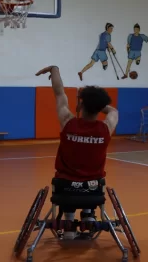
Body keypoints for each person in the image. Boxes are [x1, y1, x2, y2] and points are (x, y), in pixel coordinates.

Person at [36, 65, 118, 239]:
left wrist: (55, 70)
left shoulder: (68, 122)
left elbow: (59, 94)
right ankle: (88, 214)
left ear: (80, 104)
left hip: (65, 187)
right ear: (100, 107)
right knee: (90, 181)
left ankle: (69, 223)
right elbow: (113, 111)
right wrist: (98, 104)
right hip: (93, 189)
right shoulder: (106, 128)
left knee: (69, 182)